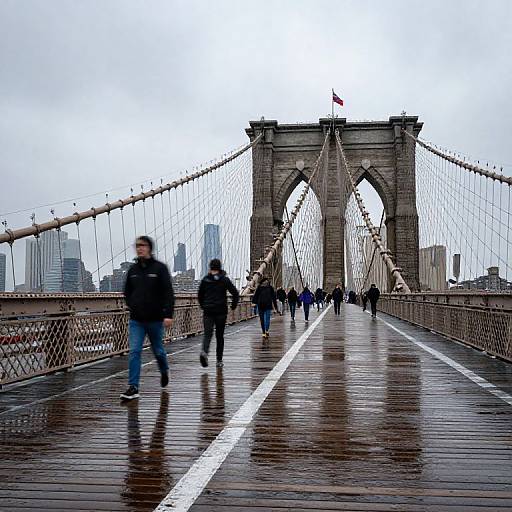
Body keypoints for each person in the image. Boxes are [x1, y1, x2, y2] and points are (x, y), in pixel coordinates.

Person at [121, 236, 174, 401]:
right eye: (137, 246)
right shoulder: (133, 270)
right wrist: (132, 304)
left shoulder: (160, 269)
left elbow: (168, 293)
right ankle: (133, 387)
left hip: (155, 319)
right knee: (135, 351)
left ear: (149, 248)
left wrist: (168, 314)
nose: (139, 248)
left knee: (158, 351)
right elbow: (127, 291)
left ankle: (164, 371)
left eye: (143, 245)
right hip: (136, 319)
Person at [198, 258, 239, 368]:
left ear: (210, 267)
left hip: (208, 311)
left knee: (207, 334)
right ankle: (219, 360)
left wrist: (204, 306)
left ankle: (204, 352)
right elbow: (235, 293)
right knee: (219, 336)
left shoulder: (205, 280)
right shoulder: (224, 280)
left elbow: (200, 295)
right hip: (221, 311)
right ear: (220, 267)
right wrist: (233, 305)